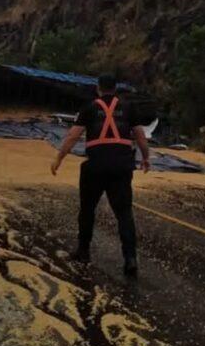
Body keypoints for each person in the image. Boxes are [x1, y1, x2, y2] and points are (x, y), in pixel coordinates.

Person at [50, 73, 150, 276]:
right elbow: (140, 135)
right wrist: (145, 158)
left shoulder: (89, 108)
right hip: (121, 167)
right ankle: (130, 259)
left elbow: (72, 136)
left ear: (98, 88)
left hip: (95, 166)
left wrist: (59, 159)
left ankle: (83, 251)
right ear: (115, 89)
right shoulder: (129, 108)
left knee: (87, 209)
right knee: (124, 214)